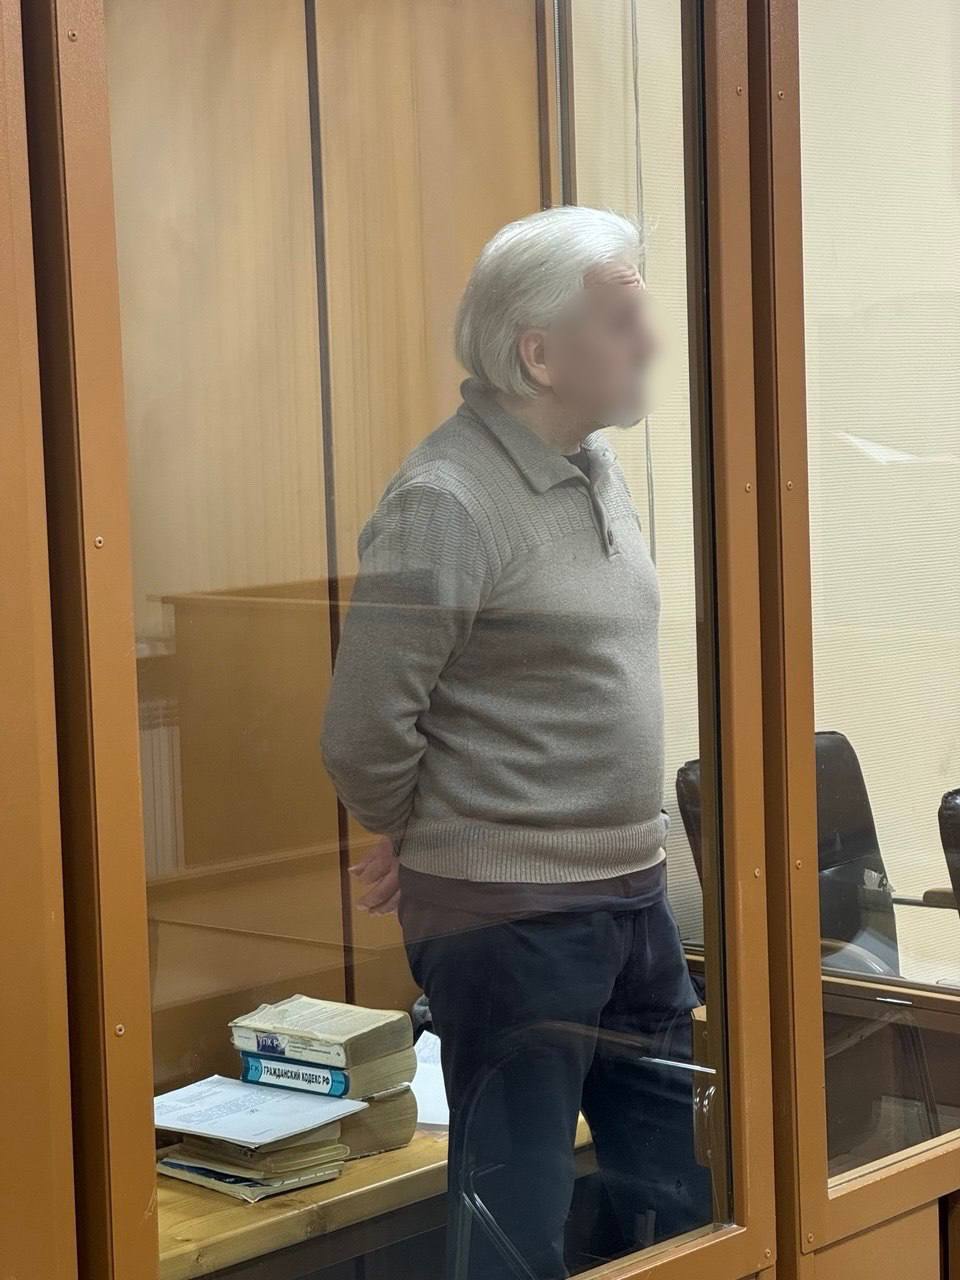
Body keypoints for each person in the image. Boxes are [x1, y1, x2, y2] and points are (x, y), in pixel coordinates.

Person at [320, 205, 712, 1279]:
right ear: (539, 354)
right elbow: (361, 729)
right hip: (516, 926)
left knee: (678, 1203)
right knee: (515, 1226)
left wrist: (425, 829)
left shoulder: (594, 464)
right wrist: (431, 837)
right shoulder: (445, 501)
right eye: (623, 318)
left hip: (632, 898)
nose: (651, 341)